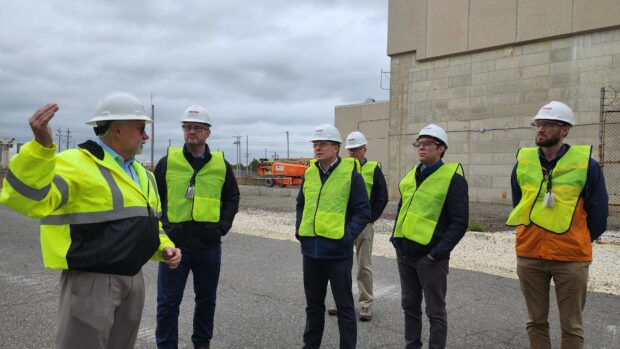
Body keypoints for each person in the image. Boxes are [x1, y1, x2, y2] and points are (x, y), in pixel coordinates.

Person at [0, 92, 182, 349]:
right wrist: (41, 149)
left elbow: (151, 223)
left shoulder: (143, 174)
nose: (146, 136)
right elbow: (27, 200)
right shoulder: (74, 163)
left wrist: (163, 246)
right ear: (117, 130)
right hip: (91, 281)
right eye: (141, 128)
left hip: (133, 280)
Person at [506, 101, 608, 349]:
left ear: (565, 130)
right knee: (535, 322)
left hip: (571, 257)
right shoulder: (524, 162)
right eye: (538, 124)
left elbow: (599, 213)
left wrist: (578, 238)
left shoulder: (586, 165)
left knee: (571, 325)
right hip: (530, 254)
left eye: (547, 124)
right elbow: (518, 203)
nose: (540, 129)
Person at [154, 105, 240, 349]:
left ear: (207, 133)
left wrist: (221, 227)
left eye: (197, 128)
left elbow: (232, 197)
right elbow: (154, 200)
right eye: (187, 127)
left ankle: (202, 344)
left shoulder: (220, 165)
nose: (191, 132)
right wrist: (163, 231)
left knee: (206, 300)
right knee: (168, 303)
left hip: (208, 246)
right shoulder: (167, 162)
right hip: (173, 245)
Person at [391, 124, 468, 349]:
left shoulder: (452, 178)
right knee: (409, 306)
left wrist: (436, 254)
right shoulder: (411, 176)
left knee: (435, 311)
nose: (421, 148)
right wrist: (397, 242)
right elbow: (402, 210)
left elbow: (459, 222)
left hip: (430, 258)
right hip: (405, 253)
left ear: (441, 149)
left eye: (427, 144)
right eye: (418, 144)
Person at [296, 123, 371, 349]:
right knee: (313, 306)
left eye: (323, 144)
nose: (317, 148)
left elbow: (363, 211)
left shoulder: (351, 174)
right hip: (311, 251)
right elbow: (301, 204)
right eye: (315, 144)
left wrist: (347, 236)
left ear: (336, 148)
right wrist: (300, 229)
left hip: (338, 253)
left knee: (345, 307)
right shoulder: (309, 173)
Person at [327, 131, 388, 321]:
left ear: (364, 149)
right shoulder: (341, 168)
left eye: (355, 150)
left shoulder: (373, 168)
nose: (352, 153)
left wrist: (370, 218)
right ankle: (340, 301)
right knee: (341, 266)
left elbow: (382, 197)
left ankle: (365, 305)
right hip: (344, 224)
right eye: (350, 150)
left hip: (363, 226)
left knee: (364, 267)